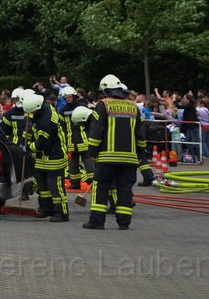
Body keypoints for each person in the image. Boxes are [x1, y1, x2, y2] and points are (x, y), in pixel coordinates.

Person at [83, 74, 145, 231]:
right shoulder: (133, 107)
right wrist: (140, 155)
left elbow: (96, 132)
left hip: (107, 157)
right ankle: (124, 222)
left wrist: (92, 152)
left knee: (101, 187)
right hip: (130, 159)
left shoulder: (103, 105)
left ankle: (97, 222)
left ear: (104, 90)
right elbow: (140, 135)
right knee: (125, 189)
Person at [22, 92, 69, 222]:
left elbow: (43, 143)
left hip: (54, 155)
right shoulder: (42, 107)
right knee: (42, 185)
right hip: (43, 156)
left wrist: (27, 148)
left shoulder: (47, 121)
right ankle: (46, 209)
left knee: (55, 187)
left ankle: (62, 213)